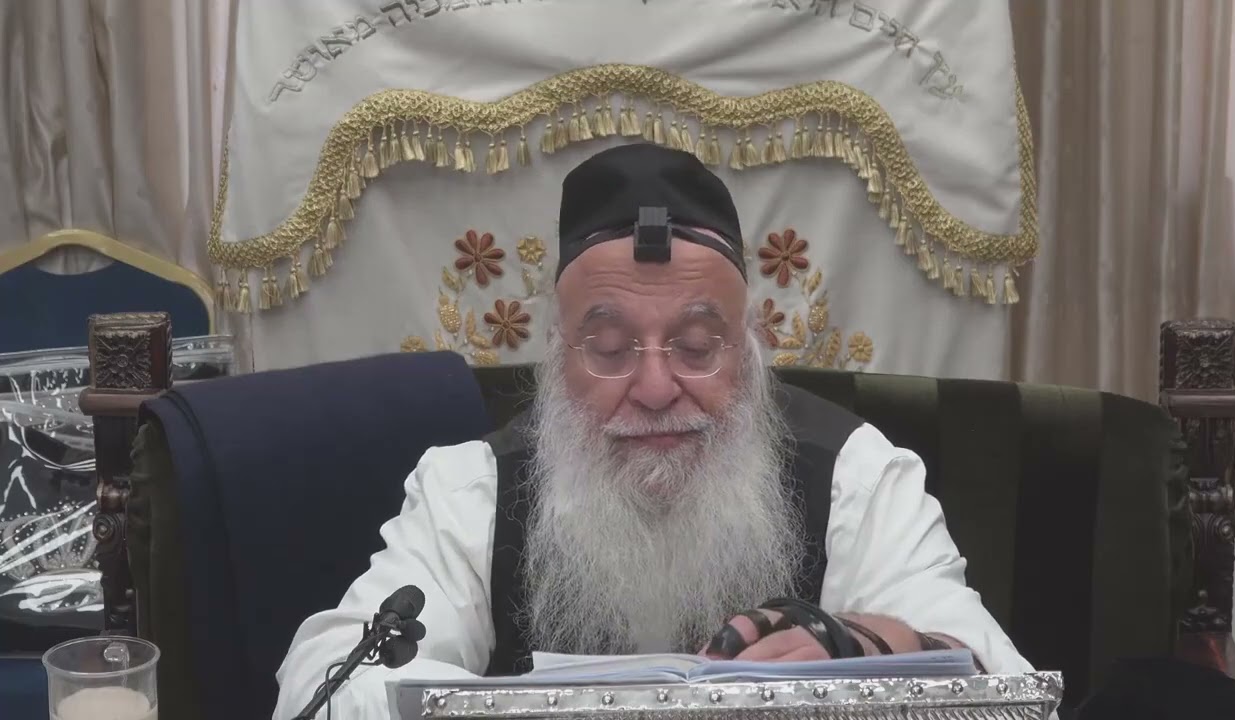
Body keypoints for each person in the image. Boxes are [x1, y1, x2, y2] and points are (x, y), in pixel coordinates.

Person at [272, 143, 1035, 719]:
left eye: (698, 347)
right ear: (558, 356)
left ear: (751, 347)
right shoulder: (470, 487)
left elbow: (1007, 690)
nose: (656, 388)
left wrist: (870, 643)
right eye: (609, 350)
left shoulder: (854, 475)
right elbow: (324, 681)